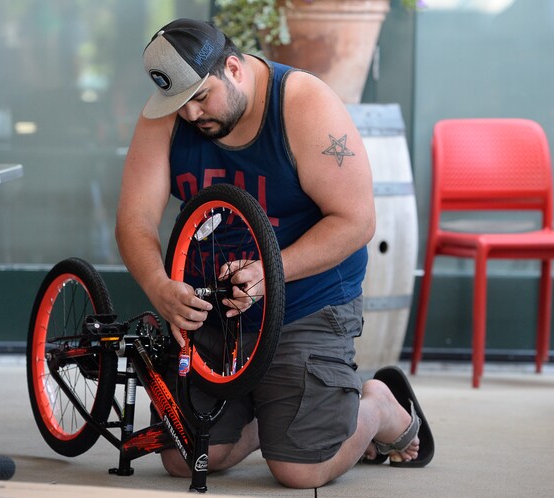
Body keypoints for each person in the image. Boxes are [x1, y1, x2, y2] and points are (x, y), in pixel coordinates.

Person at [115, 18, 433, 488]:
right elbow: (134, 220)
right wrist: (158, 285)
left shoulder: (303, 104)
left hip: (306, 304)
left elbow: (356, 221)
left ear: (234, 67)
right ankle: (277, 415)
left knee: (299, 472)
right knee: (187, 458)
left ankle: (378, 408)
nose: (189, 114)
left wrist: (270, 272)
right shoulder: (168, 113)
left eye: (201, 96)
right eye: (179, 103)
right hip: (217, 313)